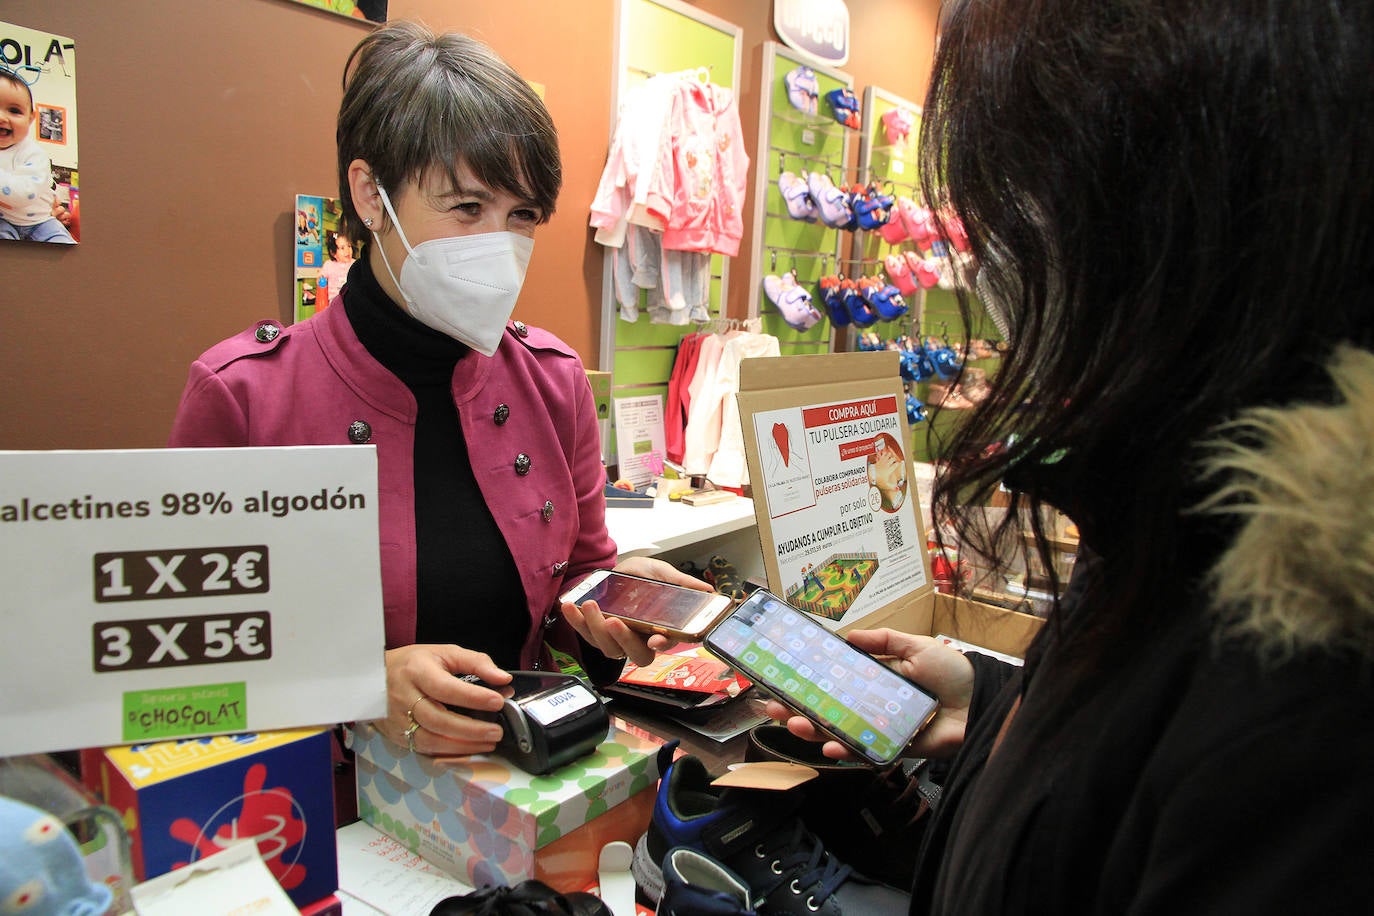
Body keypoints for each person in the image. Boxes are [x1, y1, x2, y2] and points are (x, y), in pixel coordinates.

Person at [769, 0, 1374, 911]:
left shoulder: (1312, 712)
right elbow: (1117, 767)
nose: (990, 267)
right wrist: (992, 703)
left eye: (1023, 205)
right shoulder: (1180, 506)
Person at [169, 21, 707, 760]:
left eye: (522, 216)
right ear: (369, 194)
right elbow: (185, 667)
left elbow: (570, 580)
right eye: (466, 207)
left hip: (528, 782)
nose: (500, 244)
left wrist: (610, 597)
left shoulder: (551, 381)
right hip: (331, 817)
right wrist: (352, 685)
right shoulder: (246, 397)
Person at [0, 65, 74, 244]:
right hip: (4, 222)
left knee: (67, 249)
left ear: (30, 118)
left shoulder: (32, 153)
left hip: (41, 222)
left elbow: (23, 193)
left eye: (14, 111)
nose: (2, 117)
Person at [316, 229, 355, 309]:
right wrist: (320, 278)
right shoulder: (329, 265)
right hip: (334, 305)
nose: (347, 250)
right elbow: (320, 279)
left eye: (349, 246)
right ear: (333, 253)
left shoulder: (355, 264)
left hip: (352, 304)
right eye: (342, 248)